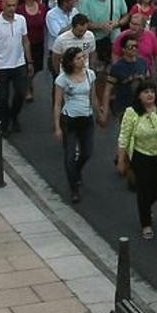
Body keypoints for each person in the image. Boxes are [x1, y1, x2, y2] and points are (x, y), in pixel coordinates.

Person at [118, 83, 157, 239]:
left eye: (152, 92)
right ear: (139, 95)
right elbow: (124, 137)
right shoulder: (132, 112)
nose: (150, 95)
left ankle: (146, 206)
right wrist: (121, 159)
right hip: (141, 155)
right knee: (143, 189)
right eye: (145, 92)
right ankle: (146, 224)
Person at [53, 47, 97, 203]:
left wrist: (98, 113)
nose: (82, 60)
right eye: (78, 58)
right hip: (69, 119)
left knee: (87, 152)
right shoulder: (62, 79)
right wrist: (57, 127)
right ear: (70, 62)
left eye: (82, 57)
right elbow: (58, 104)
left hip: (86, 118)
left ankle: (76, 171)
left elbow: (93, 96)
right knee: (70, 155)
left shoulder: (90, 75)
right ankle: (74, 187)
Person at [0, 0, 32, 133]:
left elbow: (25, 41)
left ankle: (13, 115)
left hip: (19, 64)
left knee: (20, 94)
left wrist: (29, 61)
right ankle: (3, 126)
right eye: (9, 6)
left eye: (14, 5)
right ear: (3, 6)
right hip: (2, 66)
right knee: (3, 98)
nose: (12, 8)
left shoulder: (21, 20)